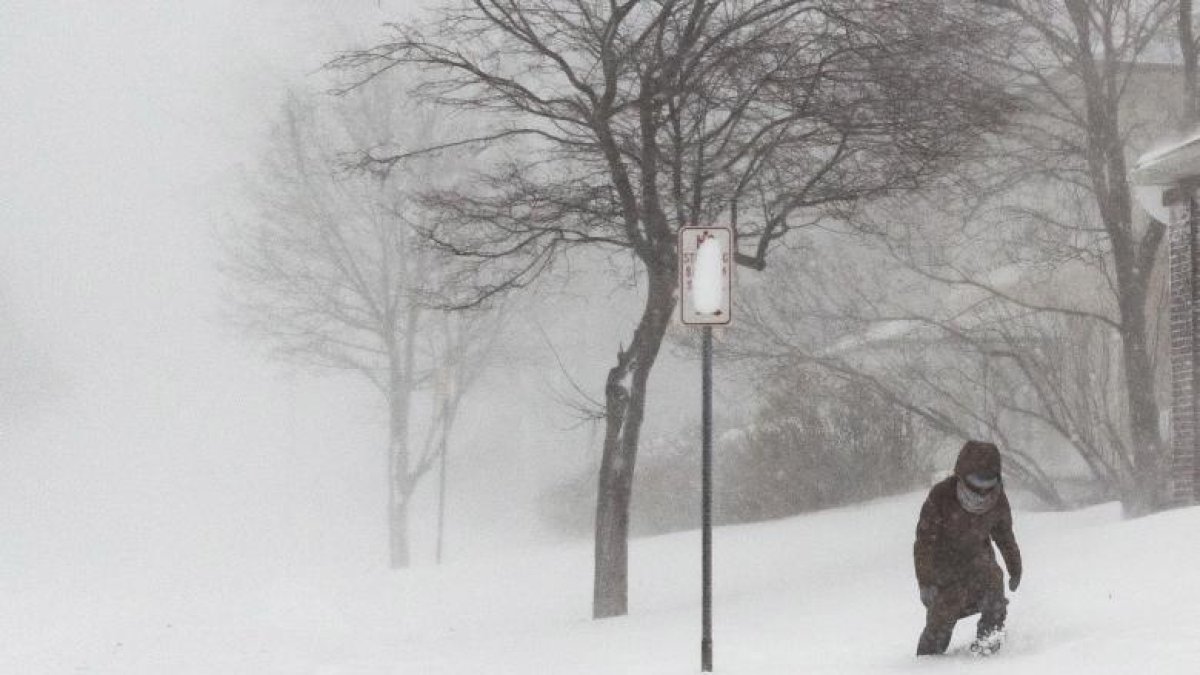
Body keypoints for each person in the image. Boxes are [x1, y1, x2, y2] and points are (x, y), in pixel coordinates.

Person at [913, 440, 1022, 656]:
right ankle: (927, 662)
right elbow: (924, 542)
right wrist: (925, 581)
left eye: (988, 482)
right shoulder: (942, 495)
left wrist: (1014, 566)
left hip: (978, 559)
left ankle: (989, 644)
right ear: (962, 475)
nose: (982, 490)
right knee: (942, 617)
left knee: (994, 590)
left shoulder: (997, 498)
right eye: (976, 481)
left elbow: (1004, 535)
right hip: (943, 565)